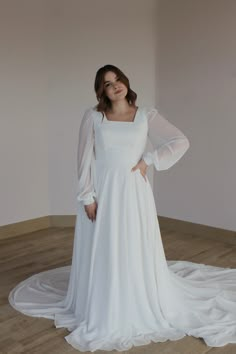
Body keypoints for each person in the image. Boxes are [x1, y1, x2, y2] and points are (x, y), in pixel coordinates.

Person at [9, 64, 236, 352]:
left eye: (117, 80)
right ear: (100, 90)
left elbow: (180, 141)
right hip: (103, 193)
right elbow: (82, 161)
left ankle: (134, 296)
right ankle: (105, 301)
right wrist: (86, 197)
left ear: (125, 82)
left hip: (133, 194)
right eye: (107, 83)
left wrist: (149, 160)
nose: (115, 86)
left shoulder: (145, 115)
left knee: (132, 244)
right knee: (104, 247)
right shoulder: (93, 117)